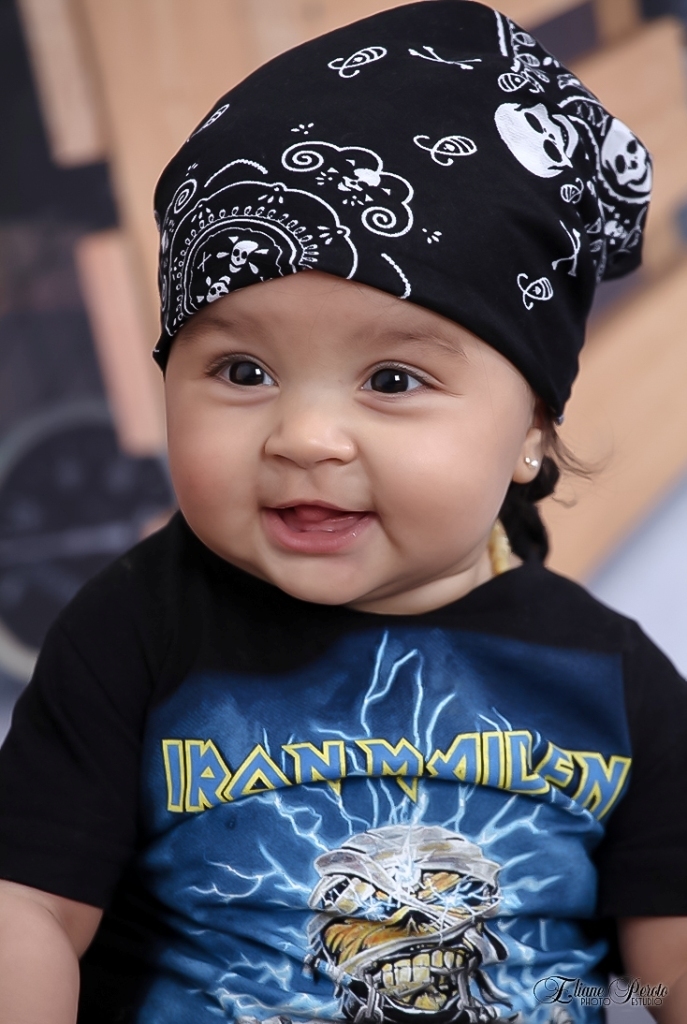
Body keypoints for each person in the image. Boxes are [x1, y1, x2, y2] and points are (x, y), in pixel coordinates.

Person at [0, 2, 686, 1022]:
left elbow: (667, 969)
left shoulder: (611, 680)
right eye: (243, 370)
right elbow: (29, 911)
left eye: (393, 380)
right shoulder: (137, 634)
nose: (305, 437)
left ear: (532, 430)